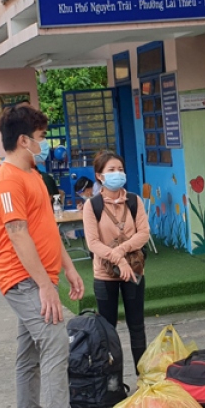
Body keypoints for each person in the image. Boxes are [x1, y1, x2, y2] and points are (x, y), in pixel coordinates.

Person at [0, 104, 91, 408]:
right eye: (41, 138)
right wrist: (46, 286)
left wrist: (68, 269)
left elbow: (46, 228)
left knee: (29, 353)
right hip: (23, 281)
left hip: (40, 278)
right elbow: (18, 235)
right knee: (54, 342)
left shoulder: (32, 174)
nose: (44, 144)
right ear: (23, 140)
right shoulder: (6, 181)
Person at [82, 151, 151, 370]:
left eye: (120, 169)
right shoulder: (92, 206)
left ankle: (143, 378)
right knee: (107, 330)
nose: (117, 174)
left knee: (137, 327)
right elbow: (93, 243)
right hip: (104, 275)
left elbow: (144, 233)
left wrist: (121, 251)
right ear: (100, 176)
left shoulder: (134, 200)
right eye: (111, 170)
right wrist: (119, 261)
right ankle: (111, 381)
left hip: (134, 271)